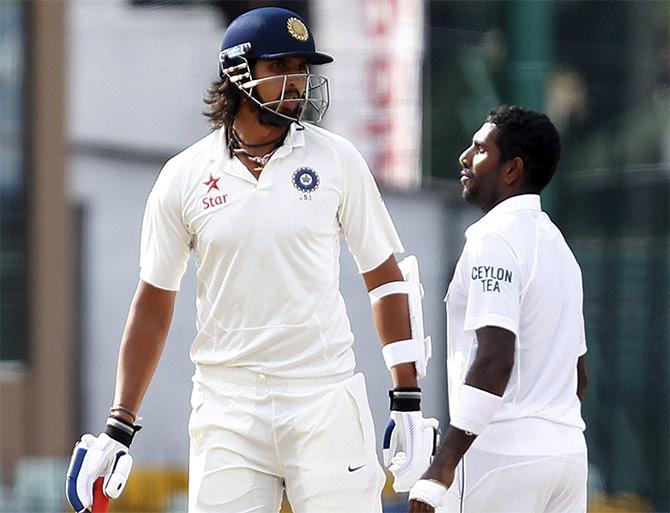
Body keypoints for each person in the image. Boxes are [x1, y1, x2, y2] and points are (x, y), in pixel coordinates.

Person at [65, 7, 437, 513]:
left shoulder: (337, 160)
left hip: (323, 395)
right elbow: (152, 305)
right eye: (280, 65)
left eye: (302, 67)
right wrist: (118, 423)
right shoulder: (184, 176)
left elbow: (387, 280)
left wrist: (408, 398)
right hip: (227, 405)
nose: (298, 81)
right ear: (239, 73)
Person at [408, 106, 588, 513]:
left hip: (501, 457)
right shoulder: (561, 250)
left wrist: (442, 466)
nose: (465, 158)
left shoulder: (493, 239)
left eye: (479, 149)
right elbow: (579, 375)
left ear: (512, 169)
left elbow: (493, 360)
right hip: (568, 456)